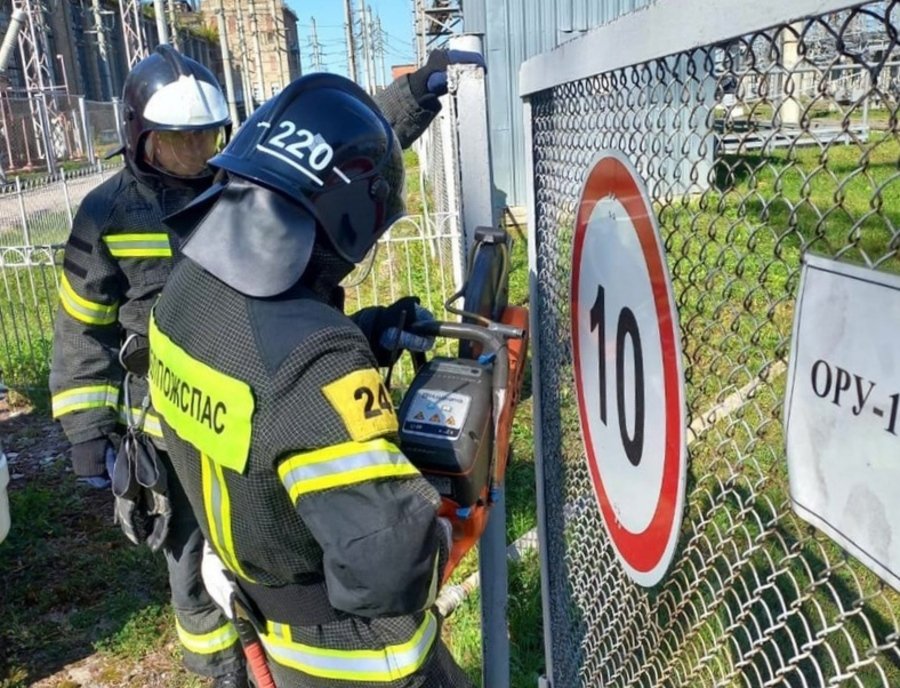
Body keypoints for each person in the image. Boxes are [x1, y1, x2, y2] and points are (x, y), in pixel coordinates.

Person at [49, 43, 478, 687]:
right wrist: (87, 429)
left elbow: (322, 157)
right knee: (190, 565)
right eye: (177, 142)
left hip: (205, 400)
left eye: (204, 139)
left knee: (236, 550)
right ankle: (221, 670)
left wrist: (413, 94)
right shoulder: (108, 213)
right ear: (140, 137)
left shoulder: (225, 199)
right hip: (167, 434)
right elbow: (80, 324)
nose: (193, 155)